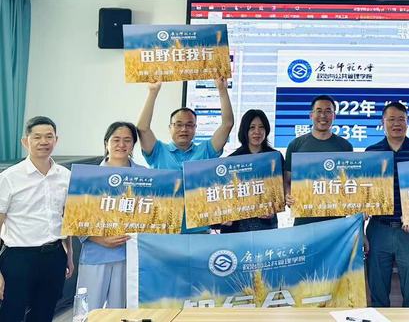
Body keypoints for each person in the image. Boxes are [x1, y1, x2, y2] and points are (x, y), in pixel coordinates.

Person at [136, 77, 234, 233]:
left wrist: (222, 90)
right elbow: (142, 128)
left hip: (199, 231)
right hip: (165, 231)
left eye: (189, 125)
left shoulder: (206, 150)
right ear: (170, 127)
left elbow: (227, 124)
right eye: (178, 124)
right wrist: (153, 92)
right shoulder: (158, 151)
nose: (184, 129)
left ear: (195, 128)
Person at [0, 117, 74, 322]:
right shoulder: (9, 178)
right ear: (26, 141)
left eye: (49, 137)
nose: (44, 142)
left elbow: (68, 219)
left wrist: (69, 255)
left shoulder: (65, 176)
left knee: (44, 314)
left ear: (56, 140)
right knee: (11, 314)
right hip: (18, 258)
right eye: (37, 137)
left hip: (54, 256)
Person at [364, 101, 409, 308]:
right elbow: (363, 193)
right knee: (377, 292)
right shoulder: (371, 152)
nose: (396, 124)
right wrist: (361, 229)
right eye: (391, 119)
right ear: (382, 122)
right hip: (378, 229)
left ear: (408, 123)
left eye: (401, 119)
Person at [75, 122, 144, 311]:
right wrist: (100, 239)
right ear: (106, 142)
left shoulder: (145, 177)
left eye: (127, 140)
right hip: (95, 254)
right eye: (116, 140)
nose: (121, 145)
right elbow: (76, 217)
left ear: (133, 145)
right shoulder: (87, 176)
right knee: (88, 312)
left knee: (123, 312)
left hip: (130, 255)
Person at [285, 95, 353, 226]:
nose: (323, 115)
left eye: (328, 111)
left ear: (334, 116)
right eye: (319, 111)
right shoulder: (296, 145)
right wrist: (288, 195)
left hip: (337, 222)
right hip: (304, 221)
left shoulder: (345, 146)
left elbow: (350, 182)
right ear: (311, 115)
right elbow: (287, 181)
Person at [219, 109, 286, 232]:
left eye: (261, 127)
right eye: (252, 127)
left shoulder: (275, 157)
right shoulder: (232, 160)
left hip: (266, 226)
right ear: (245, 130)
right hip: (237, 228)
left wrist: (274, 207)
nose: (257, 132)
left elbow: (283, 191)